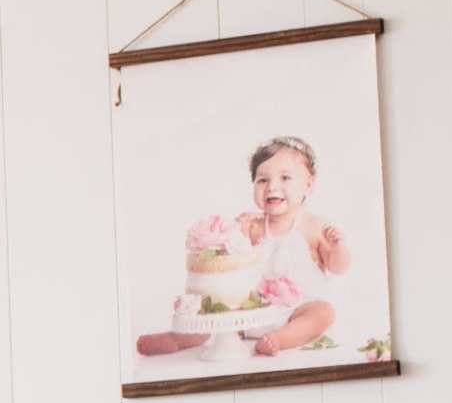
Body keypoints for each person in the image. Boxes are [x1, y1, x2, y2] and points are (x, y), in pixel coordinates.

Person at [137, 133, 344, 358]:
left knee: (323, 312)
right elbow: (230, 256)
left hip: (297, 310)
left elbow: (337, 267)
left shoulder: (313, 226)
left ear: (308, 184)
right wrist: (230, 233)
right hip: (251, 312)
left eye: (285, 178)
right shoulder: (252, 225)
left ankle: (280, 339)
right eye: (262, 180)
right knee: (215, 317)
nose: (272, 186)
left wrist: (337, 247)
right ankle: (178, 338)